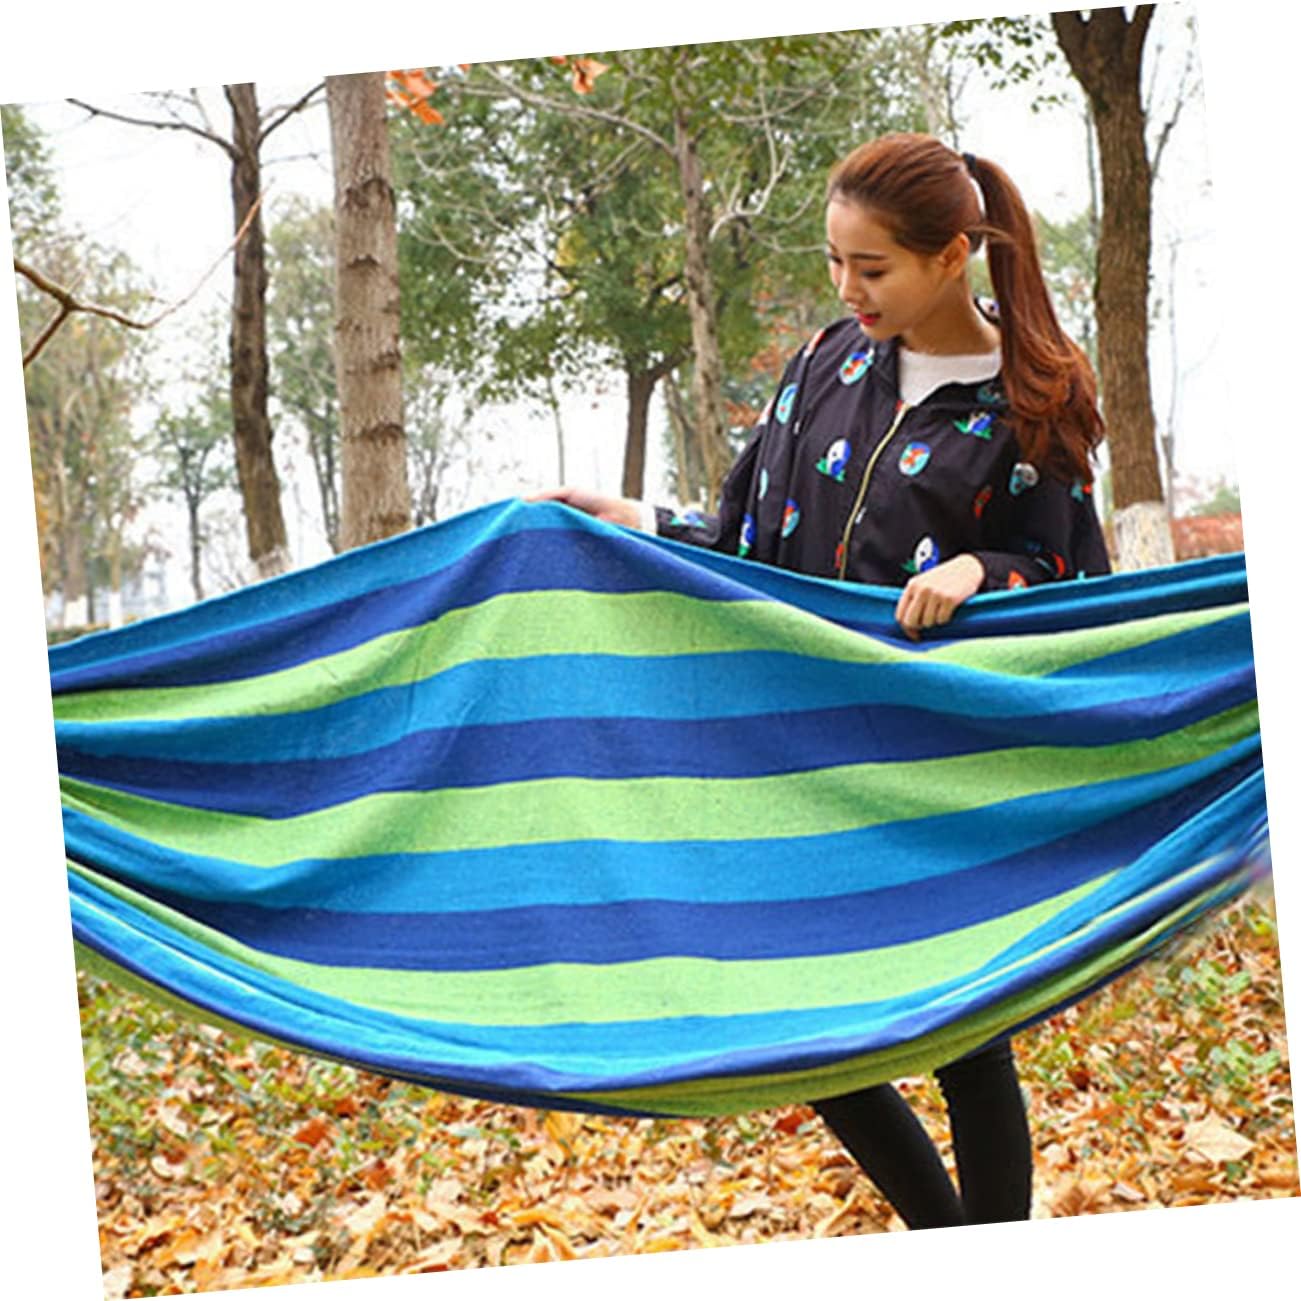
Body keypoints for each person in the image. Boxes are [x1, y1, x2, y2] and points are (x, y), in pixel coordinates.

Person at [531, 132, 1111, 1229]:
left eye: (871, 266)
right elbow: (744, 535)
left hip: (932, 764)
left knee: (965, 1037)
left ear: (950, 257)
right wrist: (638, 518)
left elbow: (1071, 577)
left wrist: (984, 569)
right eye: (834, 260)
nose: (847, 288)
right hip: (792, 752)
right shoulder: (824, 365)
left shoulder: (1034, 395)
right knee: (806, 1019)